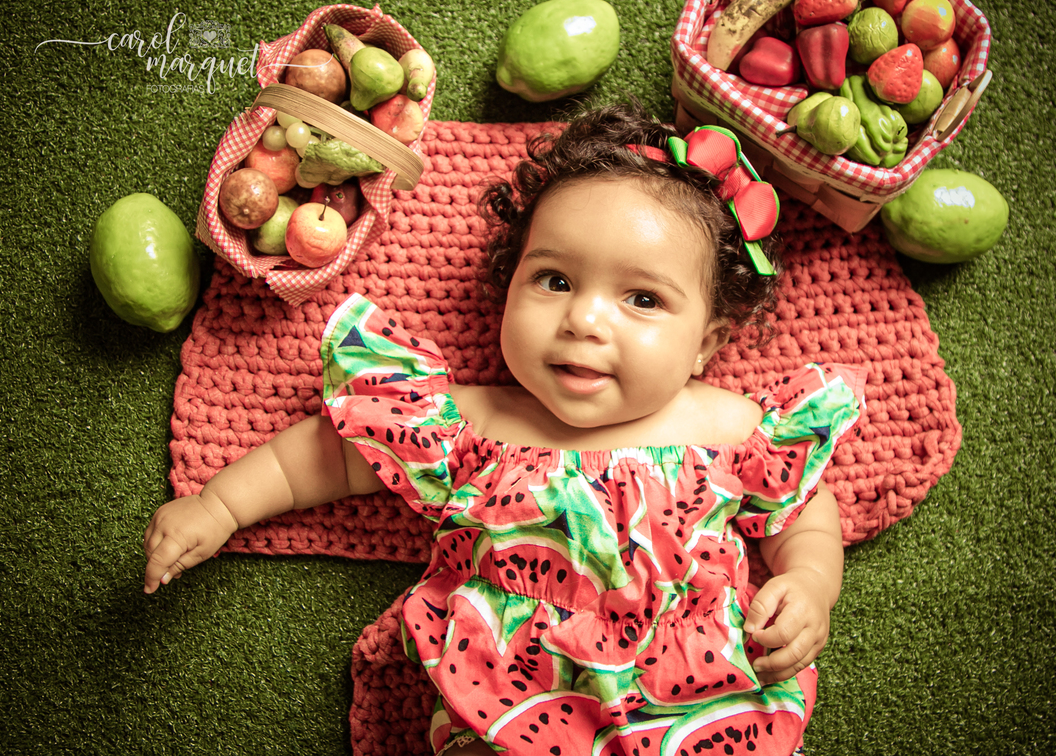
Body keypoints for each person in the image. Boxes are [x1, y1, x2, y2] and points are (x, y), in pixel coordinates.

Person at [144, 103, 865, 755]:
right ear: (508, 283)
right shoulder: (474, 423)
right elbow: (329, 457)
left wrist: (808, 581)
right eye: (555, 281)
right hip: (505, 704)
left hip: (705, 706)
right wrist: (221, 505)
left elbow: (802, 510)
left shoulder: (728, 428)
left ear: (706, 343)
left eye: (643, 299)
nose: (584, 320)